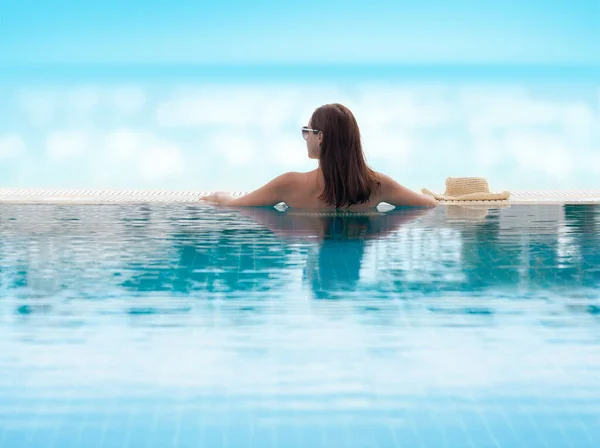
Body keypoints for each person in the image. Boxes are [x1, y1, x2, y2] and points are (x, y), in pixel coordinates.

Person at [199, 103, 438, 210]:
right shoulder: (377, 185)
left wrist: (220, 195)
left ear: (320, 136)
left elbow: (234, 206)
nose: (305, 138)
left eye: (307, 131)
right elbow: (429, 205)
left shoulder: (289, 185)